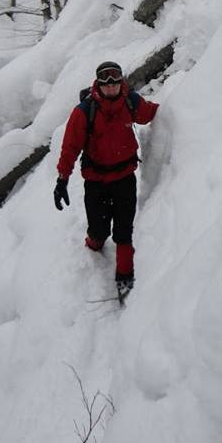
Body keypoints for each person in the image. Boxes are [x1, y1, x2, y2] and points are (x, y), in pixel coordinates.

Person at [53, 61, 159, 301]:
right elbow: (70, 147)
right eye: (105, 81)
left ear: (121, 82)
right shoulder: (84, 111)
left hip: (124, 179)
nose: (111, 86)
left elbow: (151, 112)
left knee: (124, 231)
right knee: (98, 229)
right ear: (98, 85)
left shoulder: (131, 102)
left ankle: (124, 278)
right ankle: (93, 245)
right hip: (96, 182)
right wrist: (62, 179)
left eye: (115, 80)